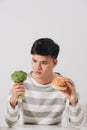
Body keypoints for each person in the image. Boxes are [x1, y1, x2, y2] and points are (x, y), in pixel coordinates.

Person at [5, 38, 84, 128]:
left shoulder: (64, 86)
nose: (37, 67)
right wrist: (13, 100)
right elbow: (10, 123)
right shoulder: (21, 83)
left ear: (54, 63)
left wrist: (74, 101)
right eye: (34, 61)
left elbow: (78, 125)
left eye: (44, 63)